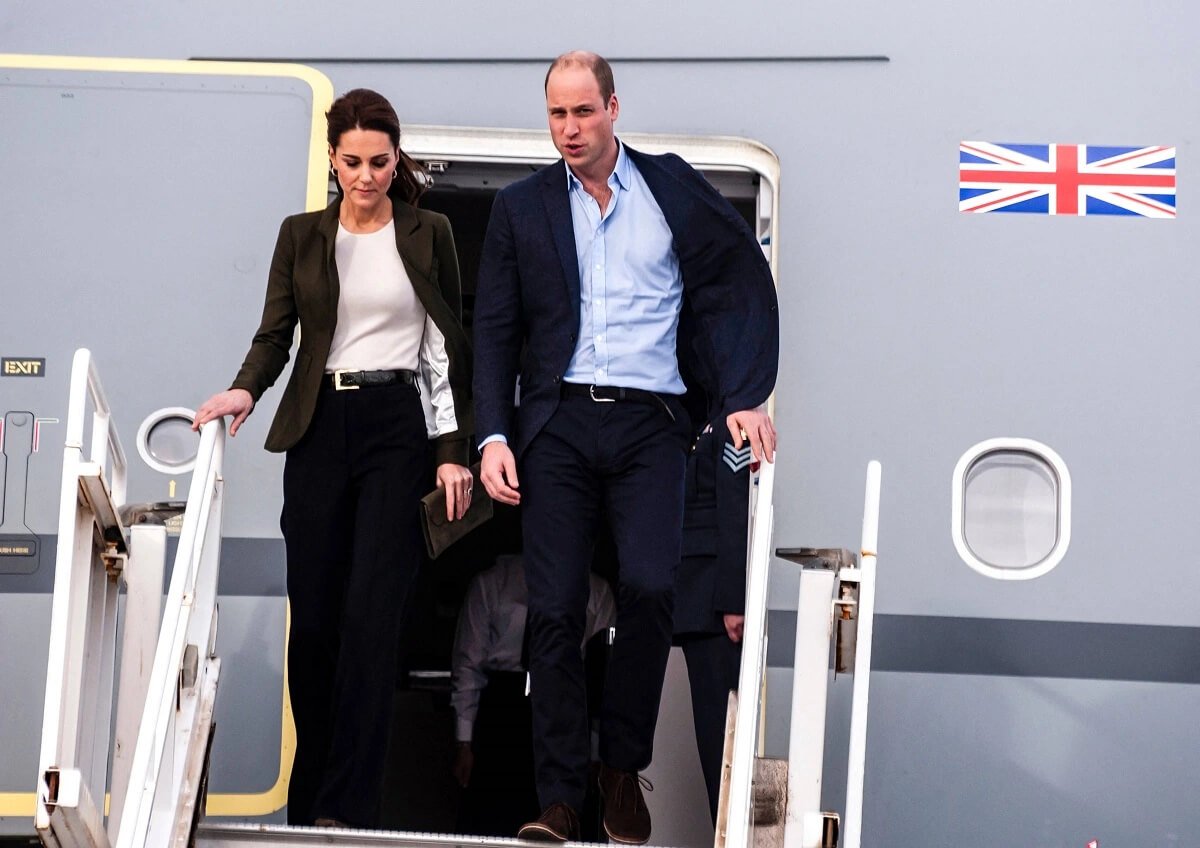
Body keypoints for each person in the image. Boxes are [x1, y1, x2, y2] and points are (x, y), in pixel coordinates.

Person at [472, 51, 779, 844]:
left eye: (582, 112)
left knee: (649, 590)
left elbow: (734, 279)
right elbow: (496, 330)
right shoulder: (521, 208)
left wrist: (742, 393)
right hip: (558, 424)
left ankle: (620, 763)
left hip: (652, 422)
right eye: (555, 115)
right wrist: (494, 435)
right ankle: (563, 800)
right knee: (555, 608)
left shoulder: (670, 188)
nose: (568, 130)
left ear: (613, 107)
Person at [192, 88, 473, 829]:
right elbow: (275, 334)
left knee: (371, 622)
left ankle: (346, 810)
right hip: (319, 427)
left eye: (380, 161)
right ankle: (310, 796)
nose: (367, 175)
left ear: (395, 158)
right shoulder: (302, 235)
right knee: (314, 623)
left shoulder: (429, 230)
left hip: (396, 427)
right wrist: (242, 391)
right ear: (332, 159)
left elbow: (444, 346)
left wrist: (450, 450)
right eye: (353, 161)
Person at [450, 554, 615, 837]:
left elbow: (602, 677)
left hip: (566, 706)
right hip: (503, 707)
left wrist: (596, 750)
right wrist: (464, 741)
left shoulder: (597, 592)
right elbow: (468, 663)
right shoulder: (492, 582)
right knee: (492, 823)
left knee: (555, 818)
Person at [674, 421, 753, 823]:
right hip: (695, 603)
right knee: (714, 747)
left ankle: (729, 830)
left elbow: (734, 503)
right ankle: (723, 829)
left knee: (724, 744)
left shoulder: (730, 423)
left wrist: (733, 598)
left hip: (715, 604)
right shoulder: (690, 420)